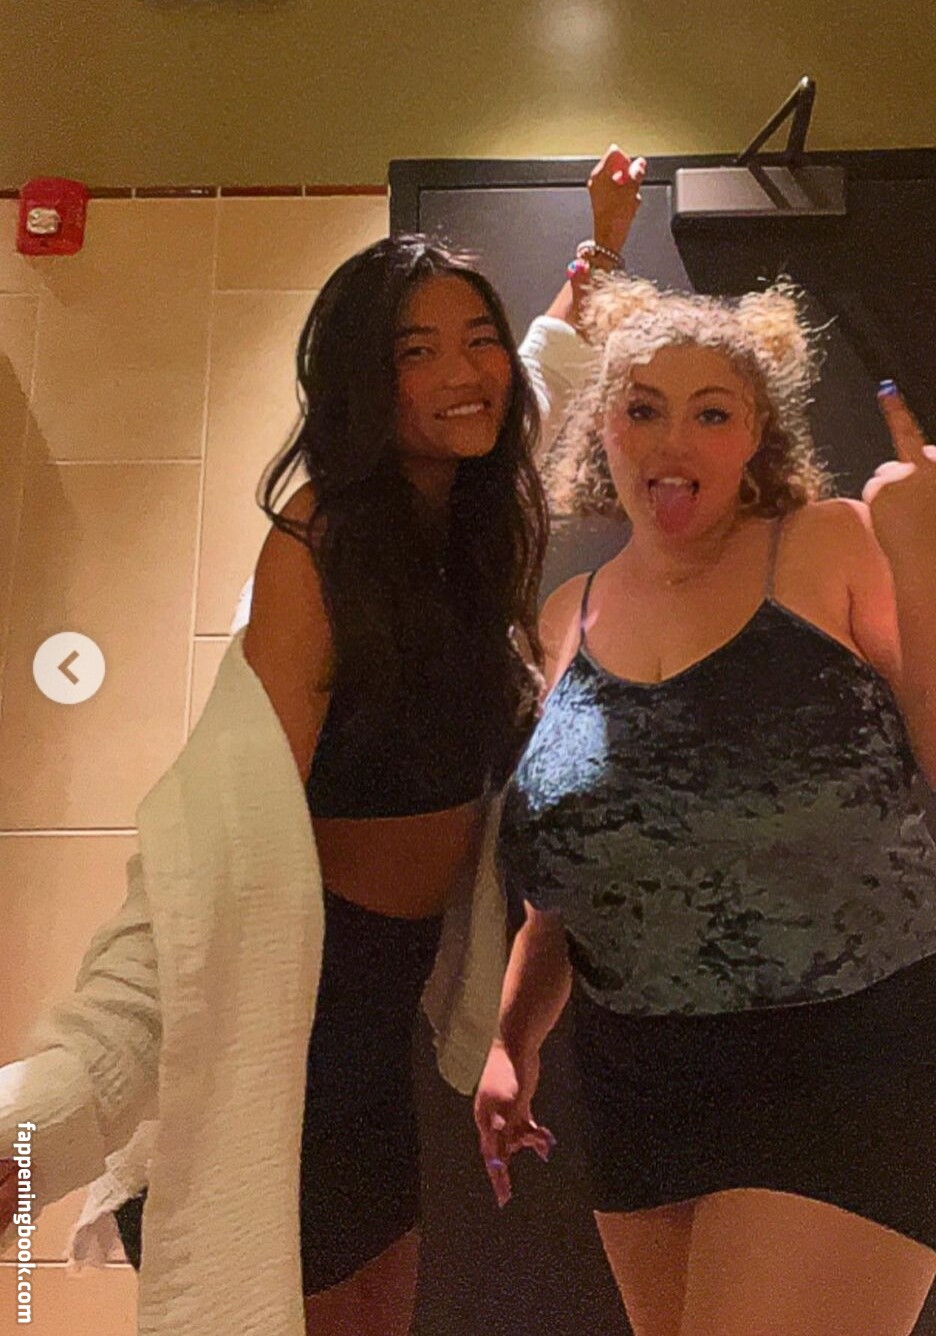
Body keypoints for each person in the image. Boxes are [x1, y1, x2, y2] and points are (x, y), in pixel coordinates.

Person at [0, 147, 645, 1336]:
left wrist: (599, 248)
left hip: (377, 1028)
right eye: (416, 351)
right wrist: (36, 1123)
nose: (462, 372)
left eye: (474, 339)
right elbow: (211, 859)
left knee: (376, 1304)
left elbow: (538, 372)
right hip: (294, 1012)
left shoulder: (471, 514)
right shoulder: (322, 544)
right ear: (362, 381)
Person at [475, 274, 936, 1336]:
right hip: (638, 1076)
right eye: (643, 408)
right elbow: (577, 877)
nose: (672, 440)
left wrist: (923, 553)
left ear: (755, 437)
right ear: (601, 429)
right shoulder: (564, 620)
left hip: (851, 1050)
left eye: (712, 413)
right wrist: (511, 1039)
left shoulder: (828, 545)